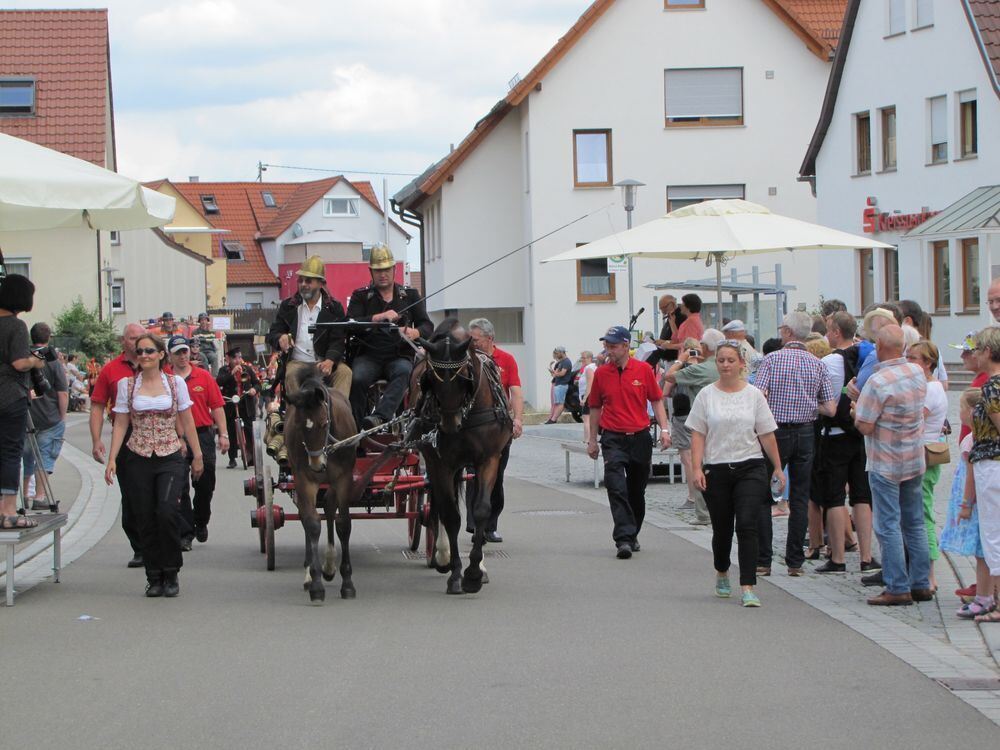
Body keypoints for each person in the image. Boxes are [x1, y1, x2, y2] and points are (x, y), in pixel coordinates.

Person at [687, 342, 784, 607]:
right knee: (722, 528)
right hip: (717, 467)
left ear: (741, 363)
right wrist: (697, 468)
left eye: (731, 360)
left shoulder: (754, 395)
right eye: (721, 360)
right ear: (716, 363)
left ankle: (748, 585)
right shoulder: (706, 395)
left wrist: (777, 466)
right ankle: (721, 570)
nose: (726, 365)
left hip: (750, 466)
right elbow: (698, 433)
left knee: (747, 524)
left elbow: (766, 433)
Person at [106, 333, 201, 598]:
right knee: (144, 516)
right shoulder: (128, 385)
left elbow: (188, 419)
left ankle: (171, 571)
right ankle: (154, 576)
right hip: (138, 455)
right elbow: (121, 422)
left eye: (149, 351)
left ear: (161, 355)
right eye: (140, 352)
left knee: (167, 512)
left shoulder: (175, 384)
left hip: (170, 454)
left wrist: (198, 454)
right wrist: (112, 458)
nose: (144, 356)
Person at [753, 311, 837, 576]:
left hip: (774, 432)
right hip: (805, 432)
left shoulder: (772, 360)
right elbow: (831, 408)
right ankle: (794, 562)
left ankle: (764, 560)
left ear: (788, 332)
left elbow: (759, 396)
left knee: (765, 495)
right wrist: (810, 405)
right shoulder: (817, 363)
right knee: (800, 496)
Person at [854, 325, 931, 606]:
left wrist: (855, 408)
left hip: (885, 460)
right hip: (913, 457)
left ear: (880, 348)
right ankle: (921, 582)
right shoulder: (916, 372)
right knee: (914, 522)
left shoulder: (878, 381)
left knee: (888, 524)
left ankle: (897, 586)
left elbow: (864, 424)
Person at [587, 325, 671, 558]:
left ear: (626, 346)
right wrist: (592, 440)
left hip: (640, 437)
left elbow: (656, 401)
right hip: (613, 437)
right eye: (606, 346)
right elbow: (595, 407)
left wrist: (664, 429)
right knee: (616, 486)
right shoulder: (602, 373)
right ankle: (623, 538)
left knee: (636, 490)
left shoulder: (643, 370)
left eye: (613, 346)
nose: (608, 351)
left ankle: (632, 533)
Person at [816, 311, 878, 575]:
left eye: (829, 330)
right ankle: (866, 556)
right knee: (862, 496)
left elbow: (821, 396)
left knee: (835, 497)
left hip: (835, 436)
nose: (827, 335)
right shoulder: (866, 356)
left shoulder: (829, 361)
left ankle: (838, 557)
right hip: (860, 433)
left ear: (836, 332)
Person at [347, 244, 432, 430]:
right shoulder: (360, 296)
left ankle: (379, 417)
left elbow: (427, 326)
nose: (382, 274)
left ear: (394, 270)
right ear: (371, 272)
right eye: (378, 270)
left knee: (403, 372)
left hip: (399, 355)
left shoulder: (410, 295)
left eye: (386, 269)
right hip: (369, 355)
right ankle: (354, 429)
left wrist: (414, 332)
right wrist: (378, 317)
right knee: (358, 378)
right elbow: (351, 324)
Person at [90, 322, 147, 565]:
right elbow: (97, 405)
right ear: (123, 342)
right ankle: (140, 547)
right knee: (132, 495)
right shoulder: (110, 370)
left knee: (159, 492)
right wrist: (96, 440)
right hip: (124, 435)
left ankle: (160, 541)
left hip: (155, 432)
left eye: (141, 339)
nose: (137, 343)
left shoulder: (156, 366)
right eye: (132, 338)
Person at [167, 336, 228, 549]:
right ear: (170, 356)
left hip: (203, 434)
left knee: (205, 484)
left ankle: (201, 520)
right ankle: (186, 532)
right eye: (178, 353)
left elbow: (218, 406)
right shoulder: (165, 378)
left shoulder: (203, 376)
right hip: (175, 437)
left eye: (185, 351)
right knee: (179, 485)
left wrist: (224, 434)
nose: (182, 356)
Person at [467, 317, 523, 543]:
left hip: (499, 428)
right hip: (472, 429)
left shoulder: (506, 360)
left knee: (496, 478)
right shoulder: (468, 359)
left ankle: (491, 526)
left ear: (489, 339)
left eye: (475, 340)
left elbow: (516, 391)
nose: (472, 344)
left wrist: (518, 419)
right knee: (472, 476)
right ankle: (474, 523)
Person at [268, 255, 352, 401]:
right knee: (291, 374)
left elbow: (338, 339)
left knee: (345, 373)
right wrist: (280, 337)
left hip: (324, 361)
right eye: (300, 280)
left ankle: (338, 414)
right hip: (297, 363)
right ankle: (296, 416)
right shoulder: (288, 306)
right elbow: (272, 333)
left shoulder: (334, 307)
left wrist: (330, 360)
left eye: (308, 281)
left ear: (321, 284)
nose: (303, 284)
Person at [663, 329, 725, 524]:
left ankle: (704, 513)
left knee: (699, 466)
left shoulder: (701, 369)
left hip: (702, 425)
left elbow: (669, 377)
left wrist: (680, 359)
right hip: (725, 423)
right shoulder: (723, 367)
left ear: (705, 347)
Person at [943, 388, 995, 618]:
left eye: (962, 408)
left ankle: (987, 596)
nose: (960, 413)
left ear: (973, 412)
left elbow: (971, 474)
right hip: (975, 498)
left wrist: (966, 504)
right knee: (982, 551)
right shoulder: (975, 438)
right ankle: (984, 595)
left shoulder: (975, 441)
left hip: (975, 499)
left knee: (986, 550)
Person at [0, 275, 45, 529]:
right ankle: (8, 511)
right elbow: (19, 363)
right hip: (10, 397)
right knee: (10, 452)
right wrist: (35, 361)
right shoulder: (15, 326)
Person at [906, 340, 947, 591]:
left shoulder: (931, 390)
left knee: (923, 514)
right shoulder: (927, 386)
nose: (909, 362)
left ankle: (930, 574)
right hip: (921, 452)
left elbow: (913, 419)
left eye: (914, 358)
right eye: (907, 357)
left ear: (928, 363)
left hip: (925, 454)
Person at [968, 327, 1000, 623]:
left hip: (991, 463)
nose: (974, 354)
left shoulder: (992, 387)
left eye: (977, 350)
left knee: (993, 534)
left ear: (988, 352)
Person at [21, 322, 68, 511]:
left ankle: (25, 494)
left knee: (26, 456)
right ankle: (40, 496)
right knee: (45, 456)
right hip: (49, 416)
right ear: (48, 337)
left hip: (27, 414)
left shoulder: (24, 358)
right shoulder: (53, 360)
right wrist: (62, 417)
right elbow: (62, 392)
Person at [217, 348, 259, 469]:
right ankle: (232, 458)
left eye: (239, 357)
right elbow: (219, 382)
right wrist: (232, 374)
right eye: (235, 358)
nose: (238, 360)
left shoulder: (247, 369)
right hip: (230, 403)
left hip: (245, 403)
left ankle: (250, 455)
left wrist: (254, 390)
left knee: (249, 429)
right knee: (230, 430)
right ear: (228, 359)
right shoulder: (223, 370)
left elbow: (257, 383)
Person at [648, 294, 686, 367]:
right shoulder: (671, 316)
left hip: (675, 359)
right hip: (667, 359)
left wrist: (664, 342)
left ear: (671, 304)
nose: (662, 311)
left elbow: (680, 340)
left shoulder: (681, 317)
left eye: (663, 308)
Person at [545, 346, 573, 424]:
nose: (556, 355)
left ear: (562, 352)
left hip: (562, 384)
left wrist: (555, 373)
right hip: (558, 384)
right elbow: (556, 374)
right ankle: (552, 419)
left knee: (560, 403)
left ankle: (553, 419)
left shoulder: (567, 362)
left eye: (557, 353)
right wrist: (553, 371)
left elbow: (562, 373)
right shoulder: (562, 362)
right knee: (557, 403)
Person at [578, 350, 598, 444]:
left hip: (588, 394)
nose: (582, 360)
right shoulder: (590, 367)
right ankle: (589, 438)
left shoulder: (589, 368)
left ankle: (587, 439)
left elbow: (590, 383)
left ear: (589, 358)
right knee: (588, 417)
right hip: (589, 394)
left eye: (583, 358)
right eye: (581, 358)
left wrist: (584, 398)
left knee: (586, 417)